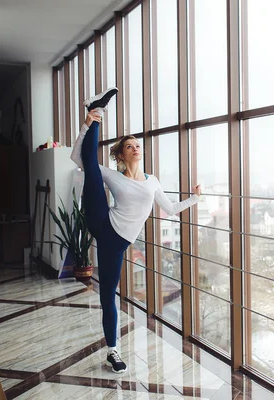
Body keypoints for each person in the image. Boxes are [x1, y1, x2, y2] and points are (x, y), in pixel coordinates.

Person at [70, 87, 201, 373]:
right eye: (129, 146)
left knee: (107, 296)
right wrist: (87, 126)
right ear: (121, 154)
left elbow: (170, 208)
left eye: (138, 145)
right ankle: (96, 112)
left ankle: (111, 353)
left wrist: (195, 198)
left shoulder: (152, 182)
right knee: (92, 167)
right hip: (102, 221)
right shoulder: (113, 175)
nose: (136, 148)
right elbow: (78, 159)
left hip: (116, 243)